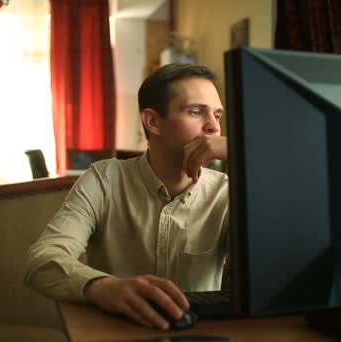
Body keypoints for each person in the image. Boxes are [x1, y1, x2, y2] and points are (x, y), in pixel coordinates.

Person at [23, 63, 229, 331]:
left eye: (217, 115)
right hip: (116, 332)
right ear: (153, 121)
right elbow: (41, 260)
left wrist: (245, 152)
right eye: (196, 112)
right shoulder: (105, 179)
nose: (213, 127)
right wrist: (103, 287)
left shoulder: (225, 191)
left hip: (197, 335)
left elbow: (279, 267)